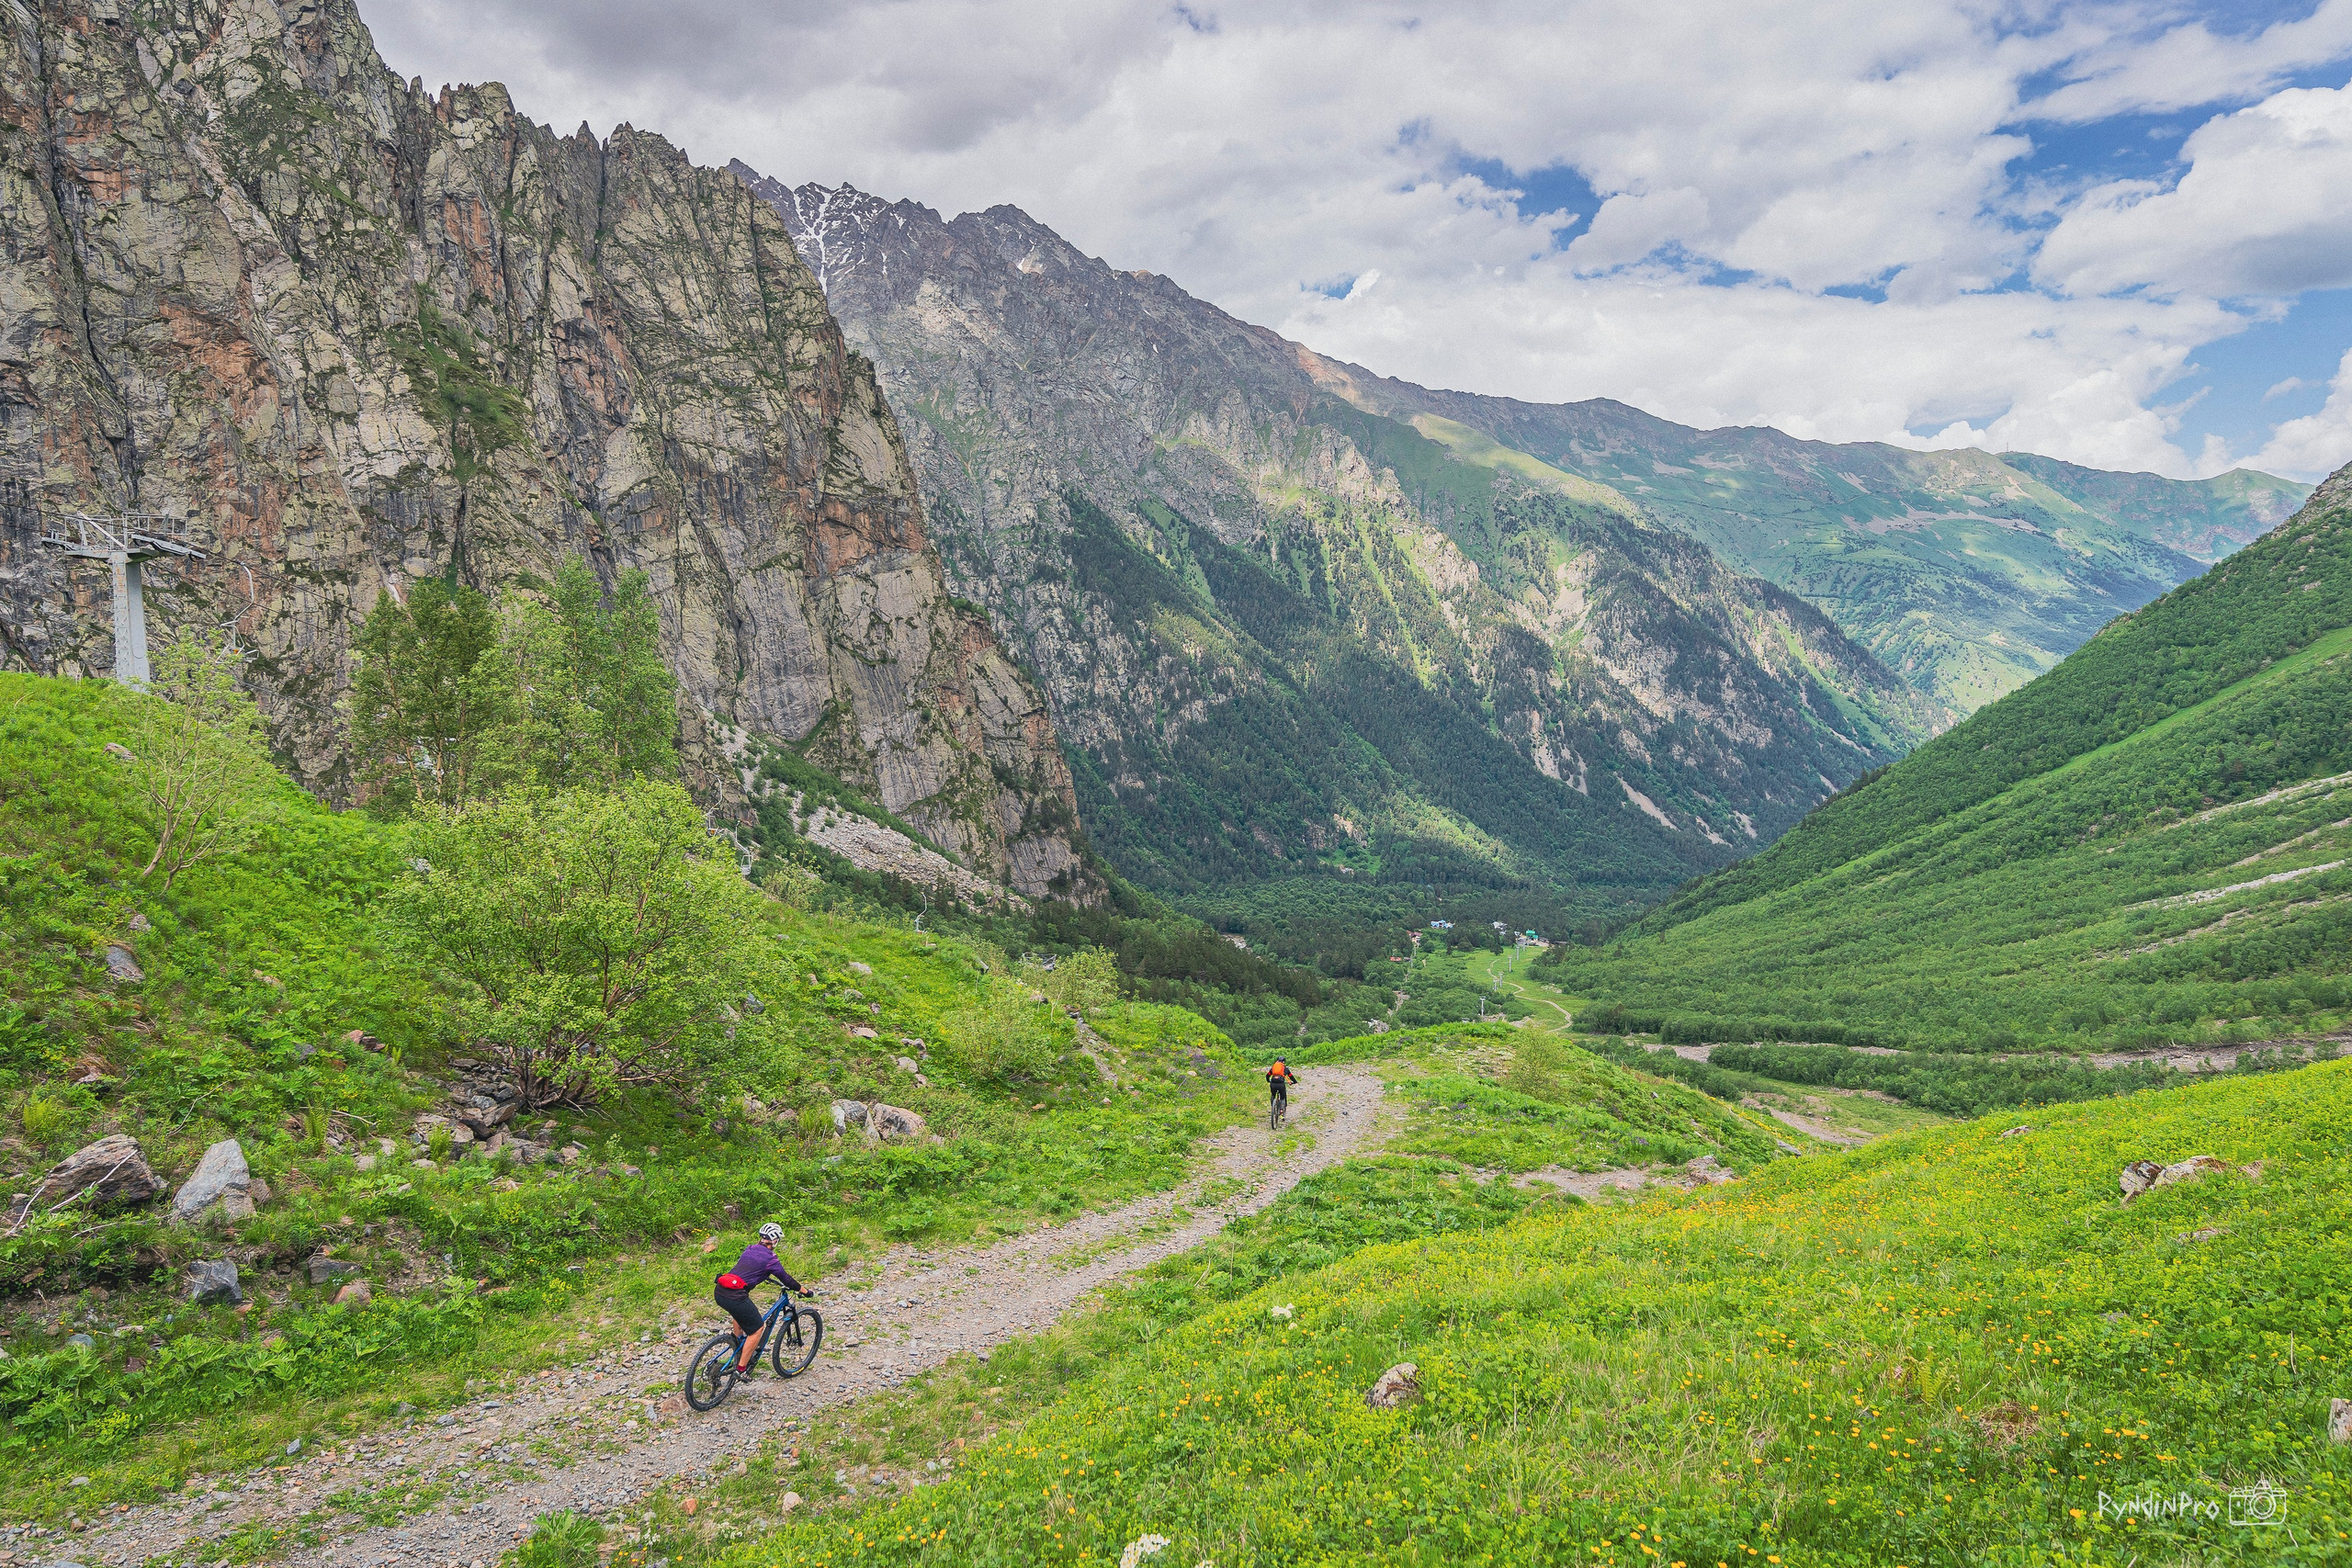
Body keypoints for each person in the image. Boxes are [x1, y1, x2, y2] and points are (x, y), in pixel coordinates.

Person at [714, 1221, 803, 1373]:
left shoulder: (750, 1249)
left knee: (739, 1313)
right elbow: (786, 1279)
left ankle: (738, 1344)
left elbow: (748, 1267)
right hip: (736, 1296)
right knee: (757, 1329)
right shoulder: (771, 1259)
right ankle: (741, 1369)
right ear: (775, 1240)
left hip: (720, 1291)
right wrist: (805, 1290)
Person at [1266, 1057, 1300, 1122]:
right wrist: (1295, 1082)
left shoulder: (1274, 1068)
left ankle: (1273, 1108)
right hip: (1281, 1084)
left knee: (1273, 1095)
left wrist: (1268, 1081)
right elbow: (1291, 1076)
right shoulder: (1285, 1068)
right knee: (1282, 1097)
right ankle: (1282, 1110)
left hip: (1273, 1084)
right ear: (1284, 1062)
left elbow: (1267, 1075)